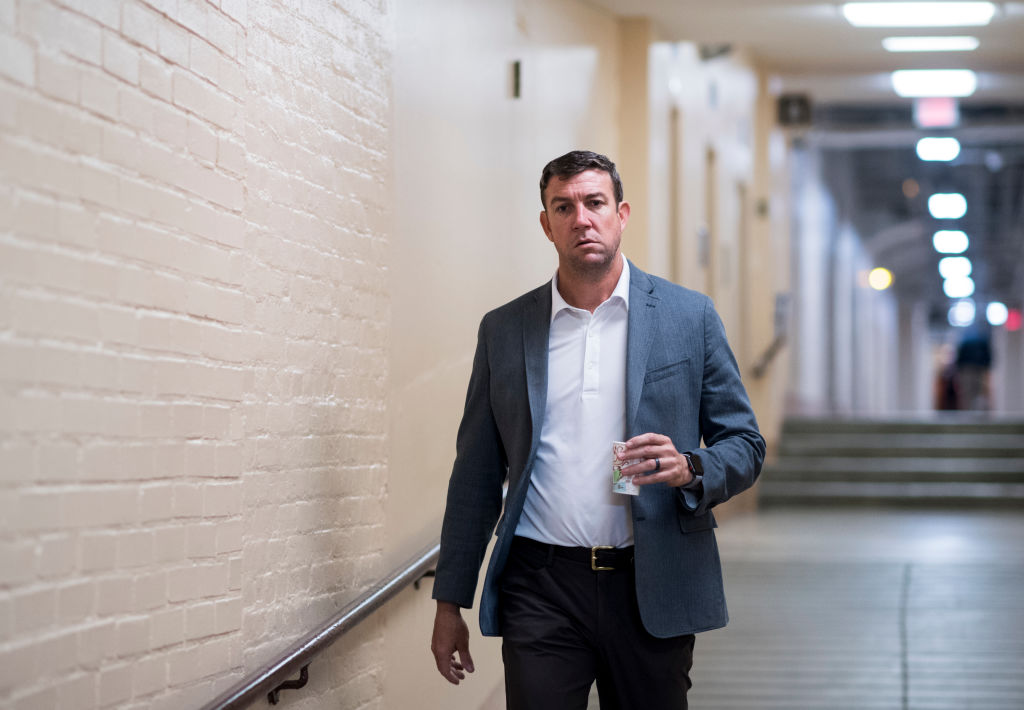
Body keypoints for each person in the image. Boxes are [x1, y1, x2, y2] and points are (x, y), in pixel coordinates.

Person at [429, 150, 765, 709]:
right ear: (546, 223)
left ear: (621, 213)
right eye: (564, 206)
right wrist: (448, 603)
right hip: (541, 585)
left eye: (594, 203)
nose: (581, 218)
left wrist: (690, 467)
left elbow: (746, 444)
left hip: (651, 580)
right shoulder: (505, 330)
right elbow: (476, 476)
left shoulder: (689, 317)